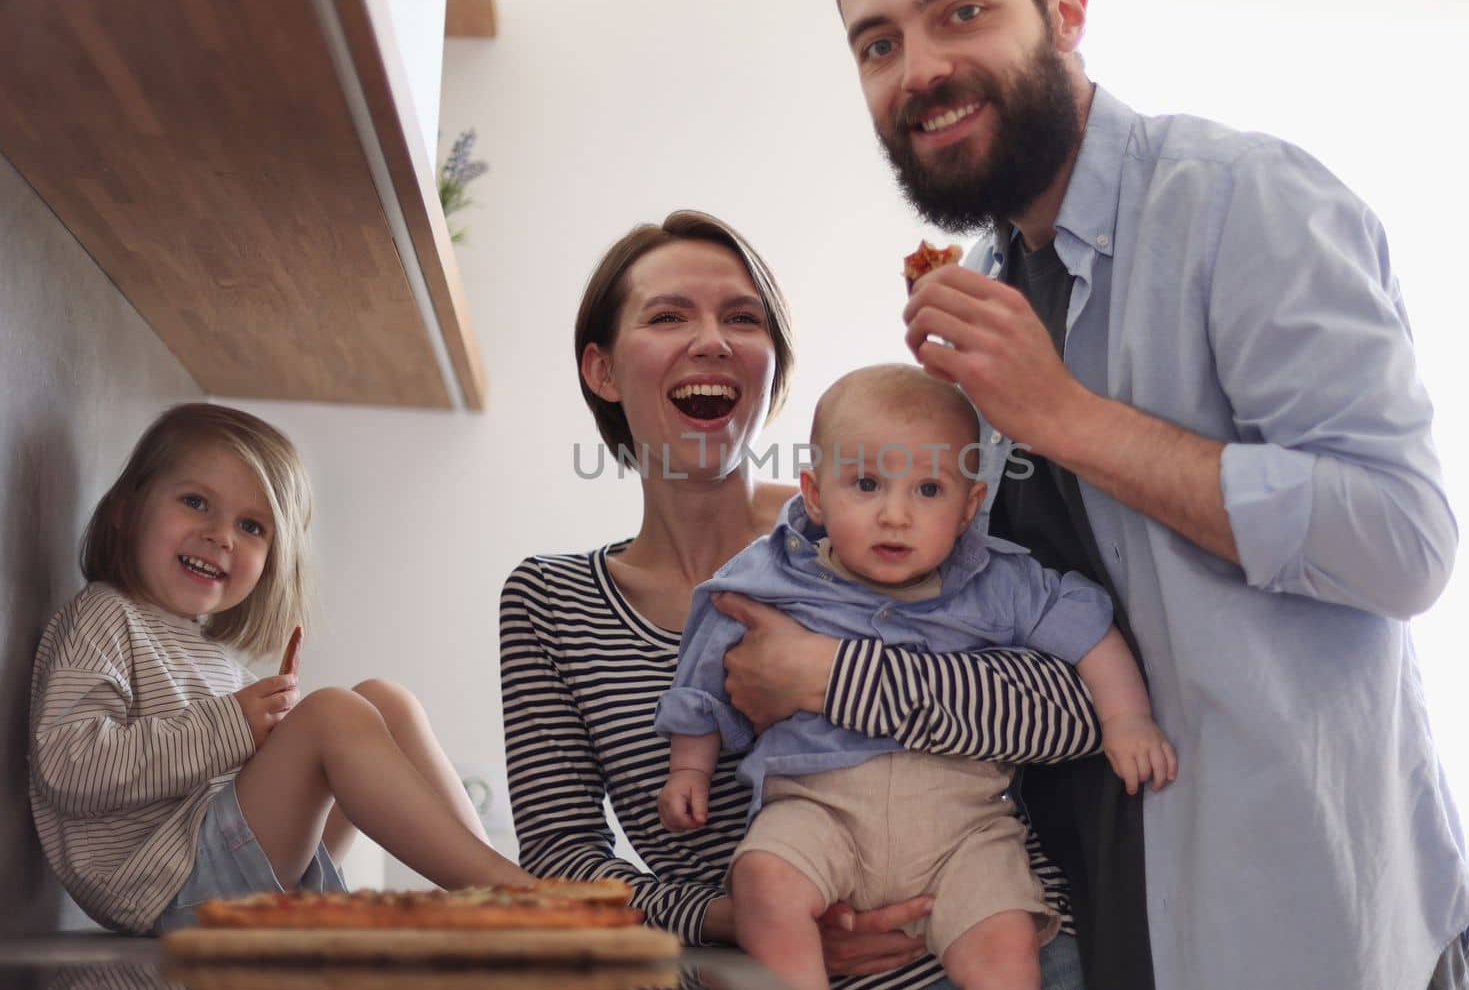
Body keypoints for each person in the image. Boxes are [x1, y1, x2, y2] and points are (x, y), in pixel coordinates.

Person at [693, 0, 1469, 988]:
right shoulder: (988, 283)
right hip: (1086, 931)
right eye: (876, 45)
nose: (919, 70)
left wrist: (1063, 414)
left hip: (1296, 927)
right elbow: (1018, 634)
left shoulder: (1245, 200)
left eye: (960, 10)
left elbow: (1404, 541)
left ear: (1064, 12)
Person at [500, 210, 1109, 989]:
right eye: (668, 314)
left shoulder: (901, 532)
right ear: (603, 370)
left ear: (771, 367)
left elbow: (1079, 713)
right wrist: (737, 918)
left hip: (1005, 953)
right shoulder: (550, 602)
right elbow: (561, 861)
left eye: (742, 317)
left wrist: (826, 675)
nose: (713, 339)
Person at [654, 364, 1175, 990]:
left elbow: (1090, 634)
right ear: (815, 494)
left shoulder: (999, 581)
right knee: (763, 879)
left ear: (969, 506)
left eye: (929, 491)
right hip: (820, 808)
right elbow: (707, 666)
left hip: (966, 823)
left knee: (1005, 939)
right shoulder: (772, 574)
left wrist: (1128, 718)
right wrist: (689, 765)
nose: (896, 515)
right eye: (867, 484)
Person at [29, 403, 534, 934]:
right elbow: (69, 766)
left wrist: (270, 742)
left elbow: (223, 770)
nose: (221, 535)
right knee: (332, 714)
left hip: (214, 867)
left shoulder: (215, 657)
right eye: (196, 502)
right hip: (163, 885)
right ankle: (510, 894)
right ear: (127, 510)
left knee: (384, 700)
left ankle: (494, 889)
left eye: (251, 526)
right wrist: (236, 728)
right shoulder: (104, 616)